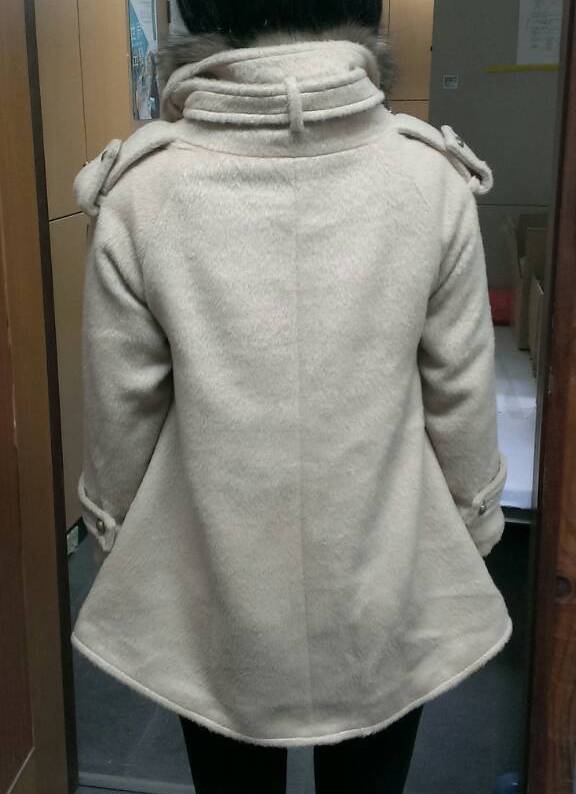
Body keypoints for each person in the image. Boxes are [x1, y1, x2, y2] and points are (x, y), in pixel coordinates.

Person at [70, 0, 513, 791]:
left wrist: (114, 536)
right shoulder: (428, 178)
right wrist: (473, 529)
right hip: (385, 572)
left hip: (213, 577)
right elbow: (461, 399)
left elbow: (123, 415)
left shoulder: (143, 190)